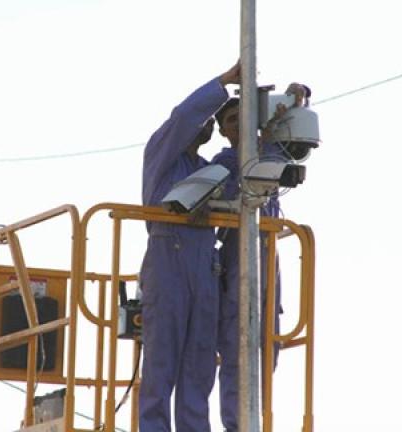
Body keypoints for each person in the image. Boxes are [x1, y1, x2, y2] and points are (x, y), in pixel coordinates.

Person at [138, 61, 240, 432]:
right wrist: (223, 82)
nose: (209, 124)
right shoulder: (162, 156)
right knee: (161, 362)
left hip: (204, 267)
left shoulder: (210, 170)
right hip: (168, 262)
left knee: (198, 365)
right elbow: (183, 116)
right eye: (207, 118)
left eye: (214, 121)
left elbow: (250, 173)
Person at [211, 83, 308, 432]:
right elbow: (239, 187)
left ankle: (256, 423)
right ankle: (236, 426)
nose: (238, 126)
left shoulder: (268, 153)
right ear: (223, 130)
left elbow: (289, 156)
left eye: (243, 118)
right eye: (232, 120)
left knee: (268, 353)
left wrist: (295, 103)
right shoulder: (223, 163)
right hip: (239, 262)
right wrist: (263, 142)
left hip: (269, 267)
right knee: (238, 352)